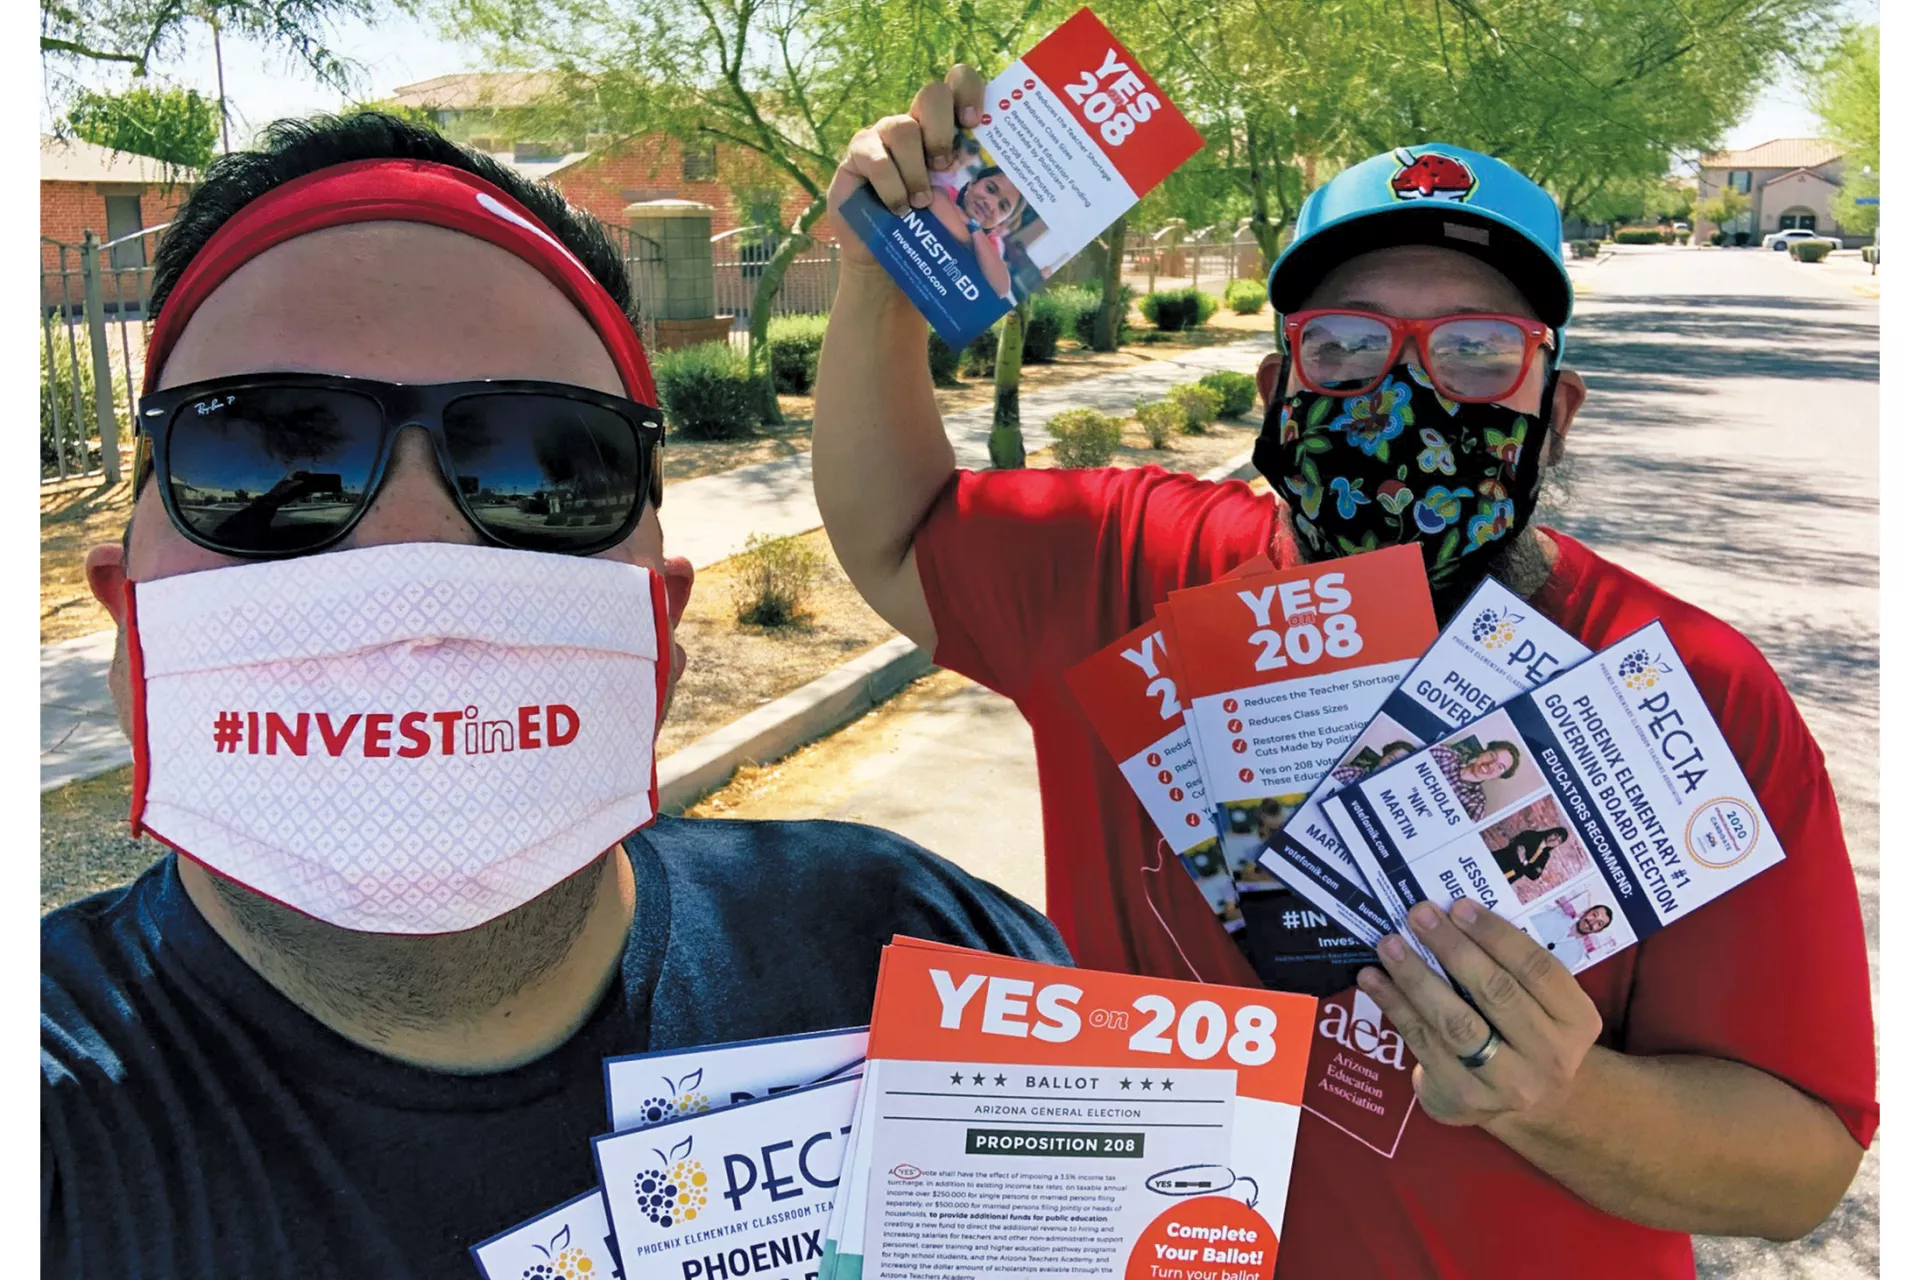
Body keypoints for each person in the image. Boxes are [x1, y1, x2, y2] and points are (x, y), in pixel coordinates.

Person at [811, 66, 1874, 1275]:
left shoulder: (1686, 690)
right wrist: (878, 278)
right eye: (1349, 346)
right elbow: (893, 531)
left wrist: (1560, 1096)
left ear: (1555, 409)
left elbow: (1801, 1161)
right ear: (1278, 391)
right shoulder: (1130, 573)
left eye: (1476, 351)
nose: (1409, 394)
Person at [40, 114, 1069, 1280]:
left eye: (540, 467)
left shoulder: (924, 964)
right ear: (128, 628)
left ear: (660, 632)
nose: (411, 565)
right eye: (266, 462)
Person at [1433, 736, 1523, 819]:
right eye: (1492, 755)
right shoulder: (1447, 756)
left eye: (1500, 767)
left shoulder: (1476, 804)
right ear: (1482, 753)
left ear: (1498, 777)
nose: (1491, 765)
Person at [1489, 826, 1569, 885]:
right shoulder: (1532, 835)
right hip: (1498, 863)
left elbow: (1534, 875)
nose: (1554, 840)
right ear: (1550, 832)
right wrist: (1527, 866)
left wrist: (1524, 861)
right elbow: (1514, 845)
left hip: (1507, 878)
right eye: (1555, 835)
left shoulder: (1545, 856)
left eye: (1558, 841)